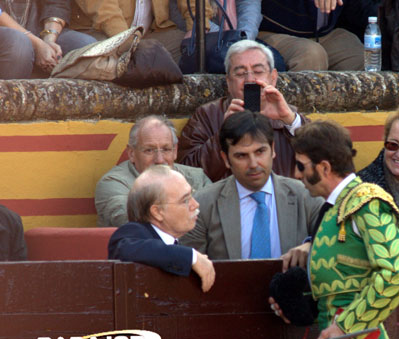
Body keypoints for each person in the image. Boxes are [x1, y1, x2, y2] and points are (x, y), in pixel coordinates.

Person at [273, 120, 399, 339]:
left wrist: (346, 327)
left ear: (324, 168)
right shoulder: (334, 209)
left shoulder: (366, 202)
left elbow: (398, 273)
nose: (295, 173)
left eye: (301, 166)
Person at [180, 111, 323, 262]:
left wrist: (311, 245)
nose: (253, 164)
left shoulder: (306, 196)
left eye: (260, 152)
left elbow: (333, 242)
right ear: (226, 159)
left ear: (273, 150)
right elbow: (190, 265)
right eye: (241, 155)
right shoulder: (203, 204)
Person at [178, 40, 306, 181]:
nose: (250, 79)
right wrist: (223, 134)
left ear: (273, 78)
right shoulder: (208, 115)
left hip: (283, 200)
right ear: (228, 81)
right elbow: (188, 174)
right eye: (240, 73)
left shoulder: (289, 114)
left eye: (258, 71)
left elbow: (324, 160)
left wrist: (291, 121)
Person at [108, 165, 215, 292]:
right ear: (157, 212)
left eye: (191, 195)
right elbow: (125, 249)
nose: (195, 204)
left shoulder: (173, 242)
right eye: (185, 200)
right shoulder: (134, 232)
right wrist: (192, 257)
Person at [95, 115, 211, 227]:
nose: (159, 160)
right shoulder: (113, 183)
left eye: (166, 149)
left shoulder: (196, 178)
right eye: (149, 150)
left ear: (175, 151)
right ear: (131, 153)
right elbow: (141, 223)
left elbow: (217, 216)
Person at [256, 0, 364, 71]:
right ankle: (294, 106)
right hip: (272, 31)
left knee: (357, 55)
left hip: (323, 33)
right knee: (311, 54)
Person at [0, 1, 95, 79]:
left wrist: (49, 40)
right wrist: (37, 45)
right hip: (6, 33)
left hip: (38, 27)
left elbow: (57, 3)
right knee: (19, 45)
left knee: (88, 48)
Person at [70, 0, 187, 63]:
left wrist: (197, 25)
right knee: (106, 58)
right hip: (101, 33)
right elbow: (105, 12)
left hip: (149, 34)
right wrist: (130, 43)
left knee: (193, 47)